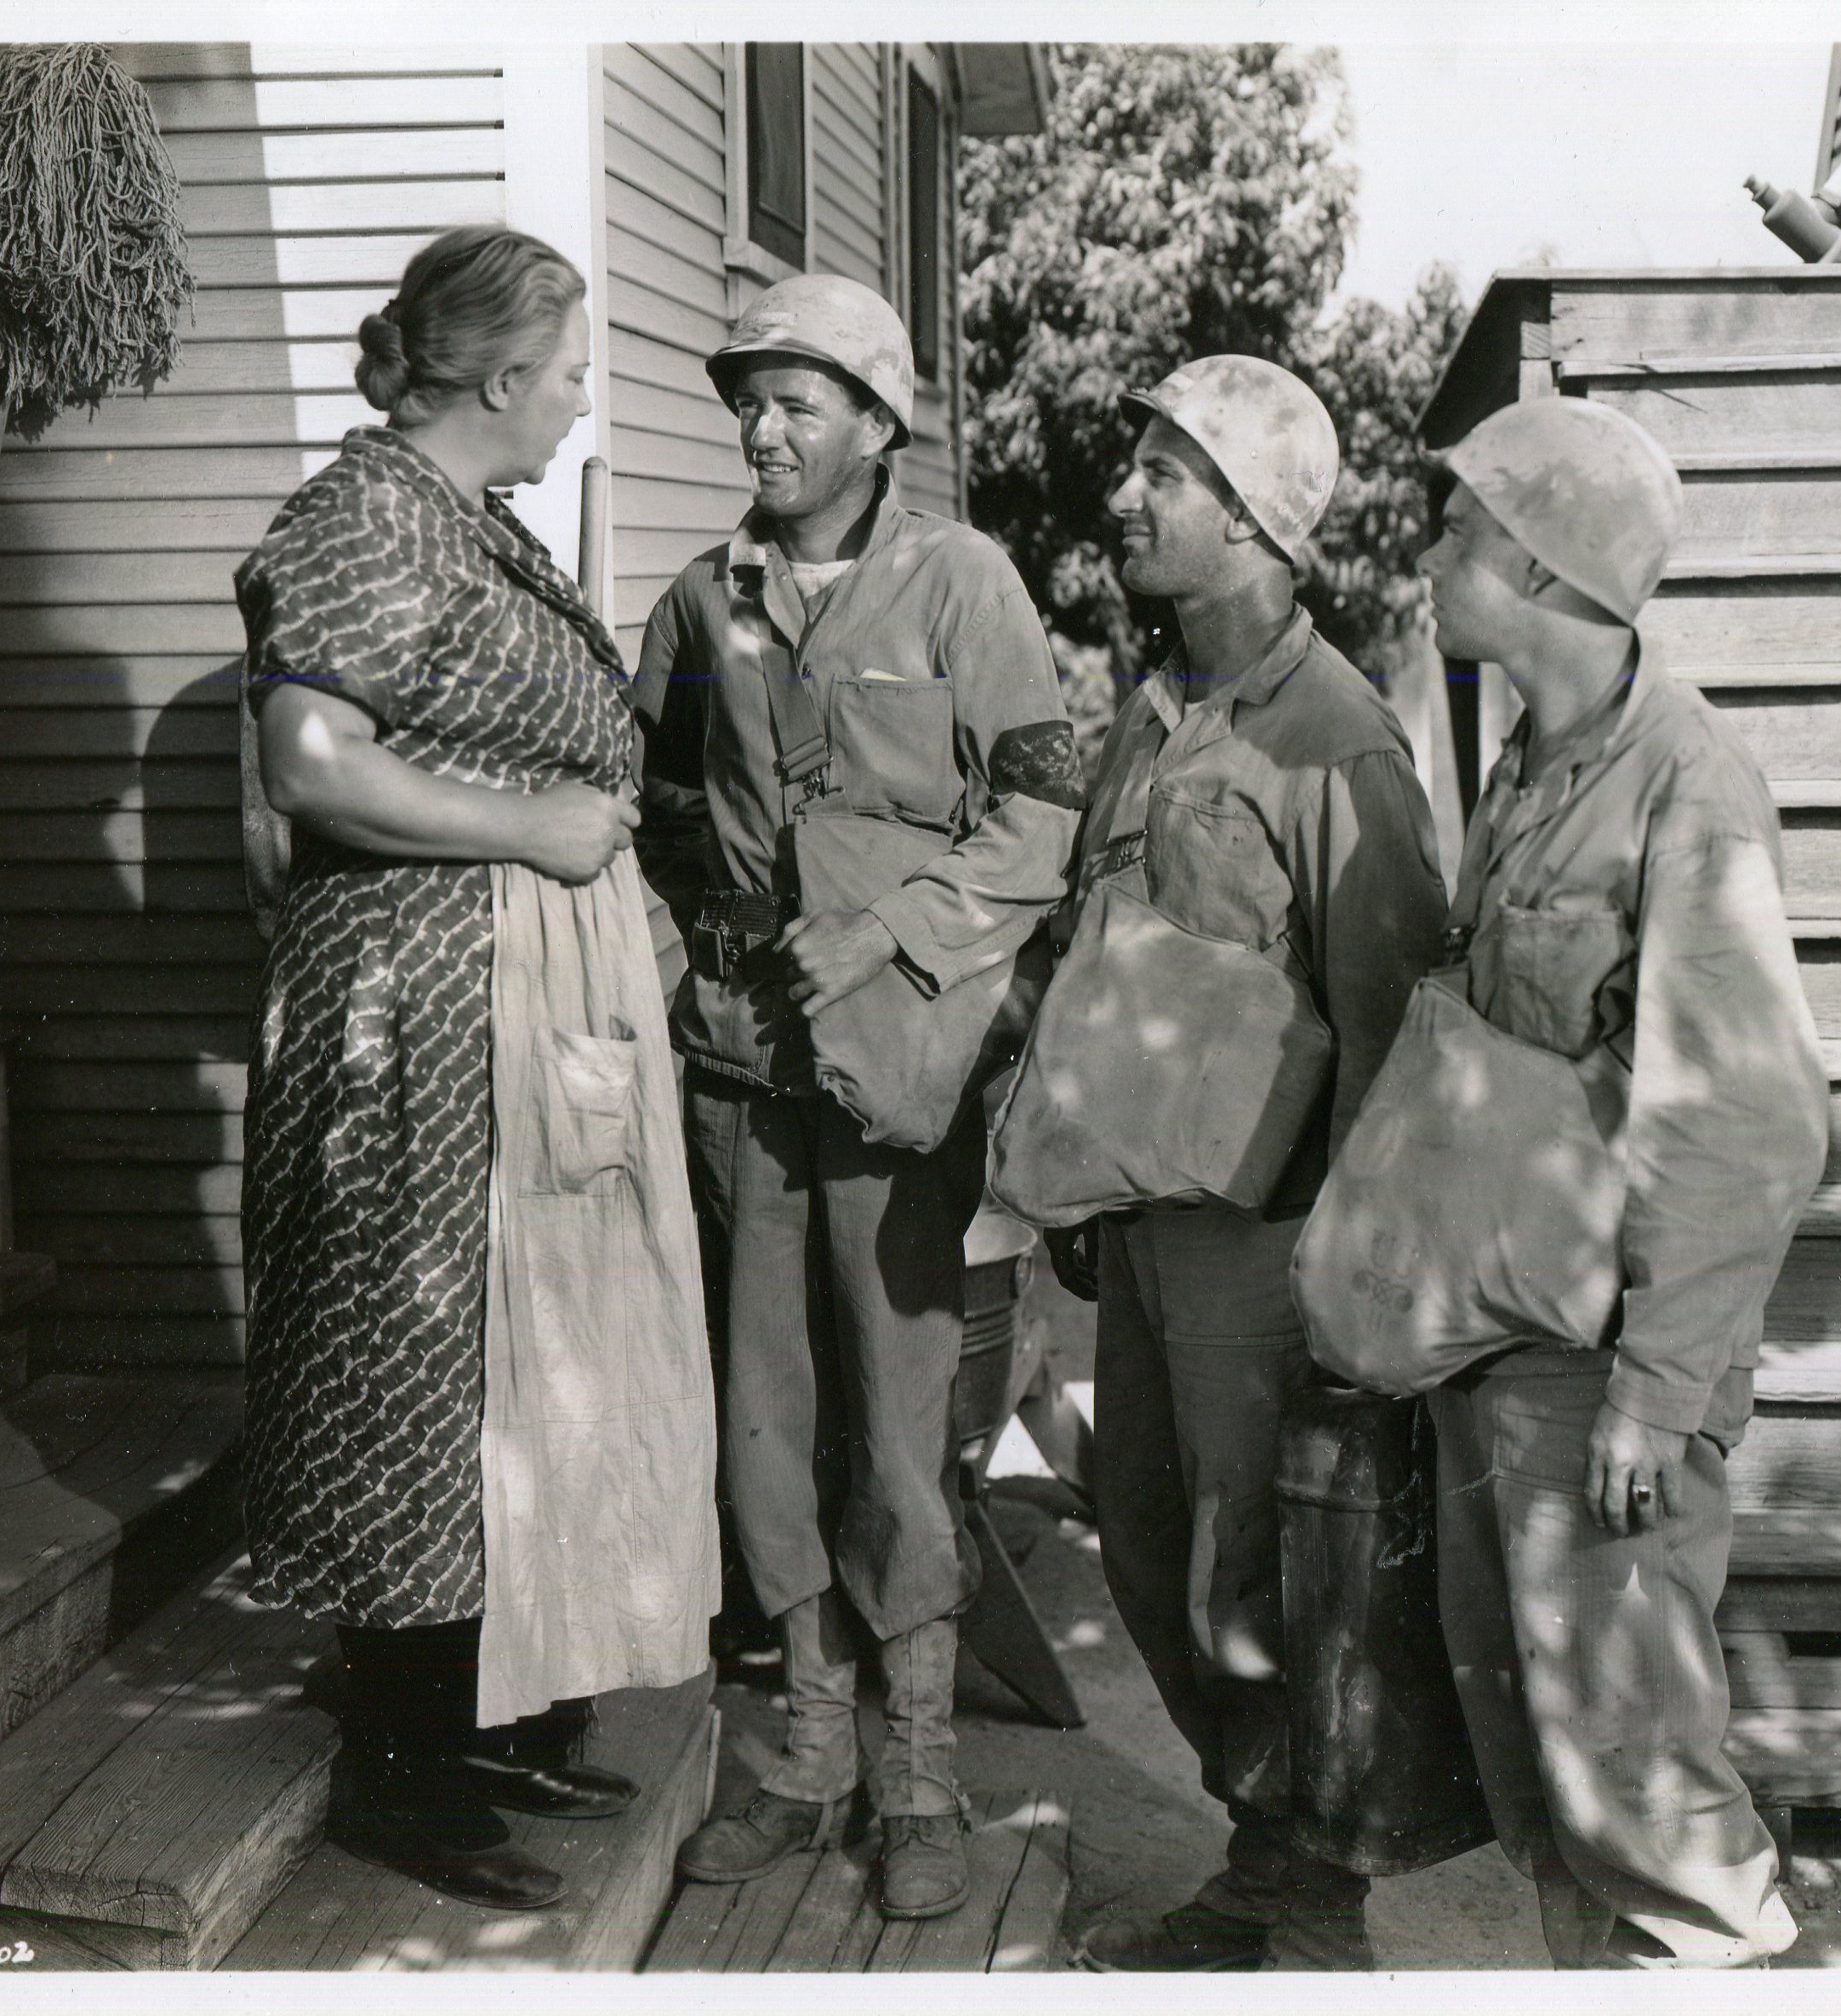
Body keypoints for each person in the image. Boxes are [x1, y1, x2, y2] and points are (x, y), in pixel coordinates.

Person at [237, 225, 718, 1913]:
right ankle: (398, 1767)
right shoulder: (361, 522)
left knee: (533, 1357)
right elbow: (309, 760)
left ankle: (485, 1715)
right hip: (425, 1011)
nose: (583, 405)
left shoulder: (463, 530)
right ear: (502, 377)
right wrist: (531, 826)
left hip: (516, 994)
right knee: (429, 1351)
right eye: (574, 373)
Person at [631, 274, 1081, 1920]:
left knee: (901, 1422)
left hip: (902, 1068)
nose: (761, 428)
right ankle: (812, 1750)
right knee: (763, 1414)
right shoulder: (703, 598)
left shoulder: (963, 581)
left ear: (880, 421)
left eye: (796, 400)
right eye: (747, 400)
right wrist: (699, 961)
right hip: (746, 1068)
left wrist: (887, 934)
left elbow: (1041, 825)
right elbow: (661, 806)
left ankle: (920, 1773)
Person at [1046, 357, 1456, 1972]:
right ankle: (1262, 1847)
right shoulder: (1155, 711)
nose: (1124, 493)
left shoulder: (1339, 741)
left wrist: (1351, 1283)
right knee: (1146, 1542)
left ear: (1260, 520)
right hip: (1142, 1222)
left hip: (1265, 1248)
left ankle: (1302, 1901)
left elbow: (1393, 1032)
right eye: (1135, 460)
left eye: (1168, 470)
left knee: (1256, 1574)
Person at [1410, 395, 1828, 1968]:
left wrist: (1657, 1396)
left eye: (1458, 527)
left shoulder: (1686, 783)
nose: (1433, 553)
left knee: (1644, 1782)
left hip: (1609, 1375)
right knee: (1540, 1752)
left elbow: (1749, 1119)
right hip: (1514, 1326)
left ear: (1530, 558)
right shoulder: (1533, 756)